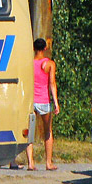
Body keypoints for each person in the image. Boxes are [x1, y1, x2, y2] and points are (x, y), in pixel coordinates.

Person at [26, 37, 60, 171]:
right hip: (44, 100)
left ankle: (30, 163)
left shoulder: (29, 63)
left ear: (34, 48)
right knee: (48, 131)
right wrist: (56, 102)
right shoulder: (49, 64)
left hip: (31, 100)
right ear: (45, 48)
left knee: (30, 131)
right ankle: (48, 162)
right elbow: (52, 83)